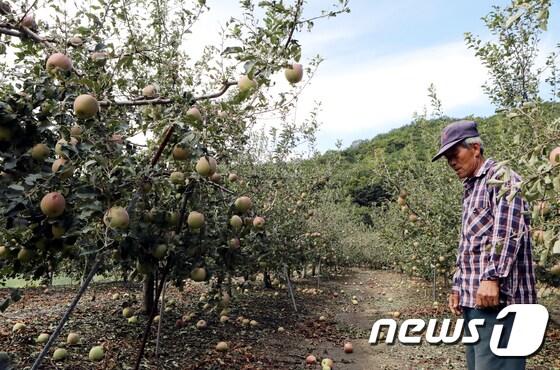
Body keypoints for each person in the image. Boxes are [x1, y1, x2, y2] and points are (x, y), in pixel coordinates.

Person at [432, 120, 537, 370]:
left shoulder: (502, 178)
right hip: (475, 301)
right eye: (447, 158)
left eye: (454, 154)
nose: (451, 163)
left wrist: (492, 277)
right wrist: (458, 286)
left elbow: (508, 232)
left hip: (500, 302)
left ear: (476, 148)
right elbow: (469, 244)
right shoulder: (472, 188)